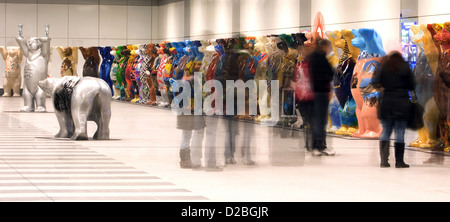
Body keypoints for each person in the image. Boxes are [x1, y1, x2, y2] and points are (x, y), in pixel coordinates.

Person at [378, 51, 416, 168]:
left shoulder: (385, 68)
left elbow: (378, 83)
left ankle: (384, 161)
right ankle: (399, 162)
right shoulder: (405, 67)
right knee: (399, 132)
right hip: (401, 103)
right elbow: (412, 85)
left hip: (387, 102)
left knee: (386, 131)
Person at [308, 38, 336, 156]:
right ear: (324, 46)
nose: (329, 49)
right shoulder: (320, 58)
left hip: (314, 92)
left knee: (317, 120)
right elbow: (329, 73)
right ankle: (319, 146)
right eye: (328, 47)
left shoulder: (312, 57)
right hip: (321, 92)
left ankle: (316, 146)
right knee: (320, 120)